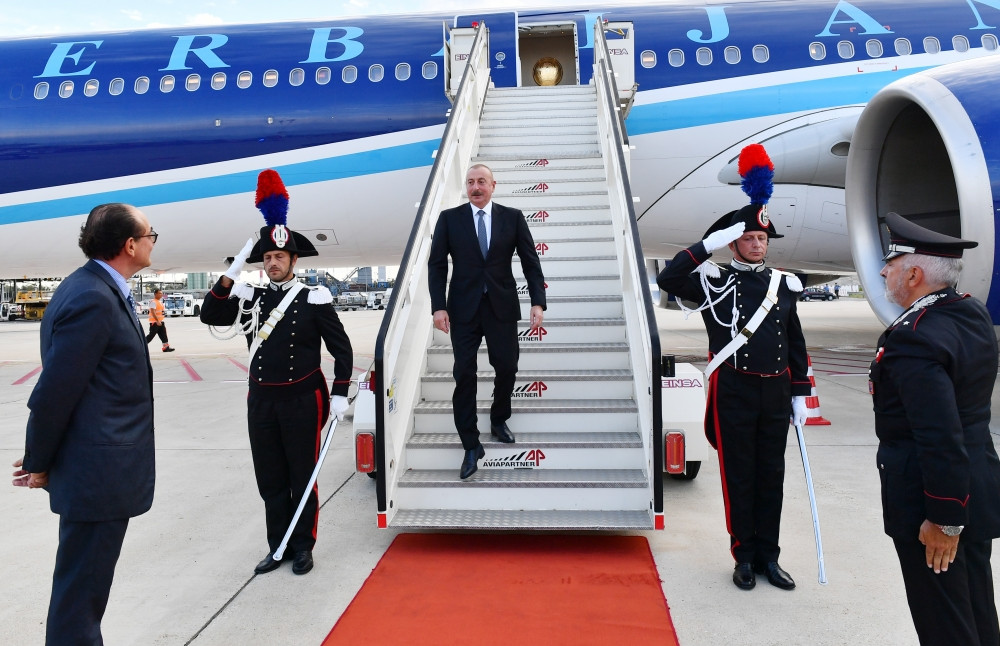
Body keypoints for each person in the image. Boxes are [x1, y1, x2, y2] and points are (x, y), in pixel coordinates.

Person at [656, 144, 811, 591]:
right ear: (734, 242)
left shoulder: (784, 285)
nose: (758, 244)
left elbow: (794, 341)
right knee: (739, 476)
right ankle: (743, 555)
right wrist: (706, 247)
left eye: (762, 239)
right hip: (735, 391)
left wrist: (800, 394)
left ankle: (769, 557)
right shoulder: (715, 280)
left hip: (775, 392)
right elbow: (668, 279)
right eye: (749, 238)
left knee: (772, 477)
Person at [11, 202, 157, 645]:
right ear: (129, 245)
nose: (152, 242)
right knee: (80, 599)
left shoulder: (91, 287)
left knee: (82, 593)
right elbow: (55, 391)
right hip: (97, 477)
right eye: (150, 235)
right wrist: (39, 460)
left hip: (96, 472)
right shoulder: (93, 296)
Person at [200, 169, 352, 576]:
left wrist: (340, 392)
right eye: (266, 258)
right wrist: (234, 269)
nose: (272, 263)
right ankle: (277, 545)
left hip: (303, 399)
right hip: (262, 400)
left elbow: (341, 349)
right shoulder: (251, 295)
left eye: (279, 257)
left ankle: (302, 546)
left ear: (293, 260)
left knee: (302, 476)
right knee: (270, 479)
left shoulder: (314, 297)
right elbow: (210, 314)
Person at [870, 211, 1000, 645]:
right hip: (974, 488)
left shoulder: (914, 336)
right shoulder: (969, 312)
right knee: (976, 608)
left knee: (944, 623)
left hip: (934, 499)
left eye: (891, 264)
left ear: (914, 275)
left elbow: (938, 433)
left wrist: (944, 519)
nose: (884, 272)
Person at [428, 163, 546, 480]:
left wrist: (537, 301)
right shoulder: (449, 219)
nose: (476, 187)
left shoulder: (513, 218)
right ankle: (470, 444)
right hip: (463, 310)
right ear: (466, 187)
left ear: (493, 185)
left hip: (501, 306)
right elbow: (437, 265)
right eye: (470, 182)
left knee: (507, 366)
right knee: (464, 373)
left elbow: (531, 262)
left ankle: (498, 418)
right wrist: (438, 307)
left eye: (482, 181)